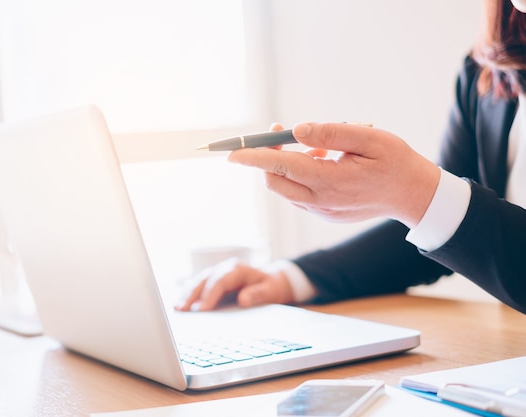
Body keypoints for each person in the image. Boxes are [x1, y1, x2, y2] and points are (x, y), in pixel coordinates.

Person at [175, 0, 526, 315]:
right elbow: (457, 229)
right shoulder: (487, 74)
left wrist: (417, 193)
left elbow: (445, 211)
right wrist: (288, 278)